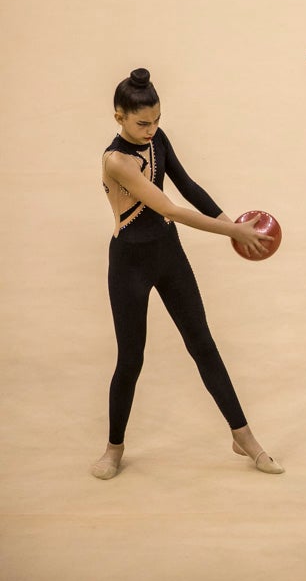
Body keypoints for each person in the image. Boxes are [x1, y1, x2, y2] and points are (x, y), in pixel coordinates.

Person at [92, 68, 282, 479]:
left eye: (156, 120)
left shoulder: (158, 139)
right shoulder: (117, 161)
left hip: (168, 254)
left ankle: (244, 437)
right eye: (142, 123)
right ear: (119, 117)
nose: (151, 129)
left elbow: (188, 187)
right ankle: (114, 447)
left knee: (203, 344)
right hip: (129, 263)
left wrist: (233, 225)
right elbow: (170, 208)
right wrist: (231, 232)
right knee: (131, 358)